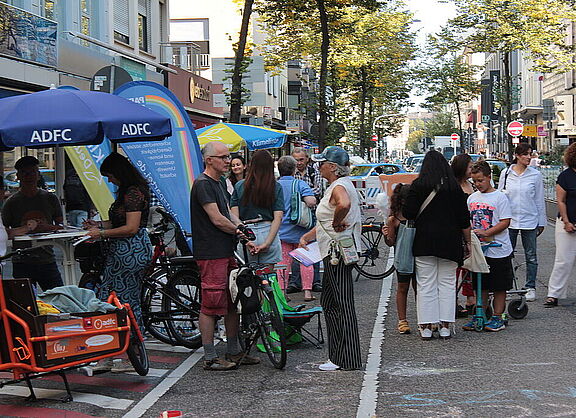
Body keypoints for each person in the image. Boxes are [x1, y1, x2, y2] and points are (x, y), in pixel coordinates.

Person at [191, 142, 260, 371]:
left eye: (228, 156)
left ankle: (234, 350)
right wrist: (238, 230)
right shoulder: (202, 184)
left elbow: (227, 212)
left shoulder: (219, 182)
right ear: (209, 160)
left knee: (233, 301)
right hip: (211, 252)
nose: (227, 161)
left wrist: (241, 227)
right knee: (211, 304)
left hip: (224, 249)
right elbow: (216, 218)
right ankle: (210, 357)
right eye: (222, 157)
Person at [84, 152, 153, 373]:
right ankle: (121, 352)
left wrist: (102, 233)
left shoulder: (132, 193)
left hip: (128, 252)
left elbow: (131, 227)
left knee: (120, 301)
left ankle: (127, 352)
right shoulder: (131, 191)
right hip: (127, 252)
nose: (110, 181)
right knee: (119, 300)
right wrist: (98, 224)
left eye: (111, 176)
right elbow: (120, 221)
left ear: (119, 173)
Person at [299, 146, 362, 371]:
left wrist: (337, 222)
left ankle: (347, 358)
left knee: (341, 303)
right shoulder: (339, 185)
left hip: (338, 252)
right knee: (330, 301)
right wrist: (308, 235)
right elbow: (326, 220)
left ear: (332, 167)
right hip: (334, 250)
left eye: (322, 162)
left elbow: (343, 205)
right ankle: (338, 356)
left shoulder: (338, 187)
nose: (319, 166)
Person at [404, 150, 471, 340]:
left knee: (425, 284)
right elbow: (463, 219)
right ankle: (445, 326)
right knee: (448, 284)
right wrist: (468, 242)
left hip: (424, 241)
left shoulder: (418, 185)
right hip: (450, 242)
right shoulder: (454, 187)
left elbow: (409, 213)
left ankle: (425, 327)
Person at [463, 161, 514, 332]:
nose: (477, 184)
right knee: (480, 284)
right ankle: (480, 313)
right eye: (474, 181)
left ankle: (498, 317)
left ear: (489, 178)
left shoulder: (500, 197)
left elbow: (505, 221)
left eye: (480, 180)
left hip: (498, 249)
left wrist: (487, 232)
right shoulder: (472, 198)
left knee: (499, 285)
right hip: (479, 249)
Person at [2, 156, 64, 291]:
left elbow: (61, 226)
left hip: (47, 259)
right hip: (21, 260)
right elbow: (5, 230)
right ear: (18, 176)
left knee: (59, 297)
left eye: (33, 172)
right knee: (25, 304)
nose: (29, 176)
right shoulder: (11, 202)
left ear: (38, 175)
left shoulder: (50, 198)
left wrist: (47, 227)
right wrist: (26, 228)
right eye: (25, 173)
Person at [497, 143, 546, 302]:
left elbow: (539, 199)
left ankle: (530, 286)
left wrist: (541, 221)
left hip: (529, 219)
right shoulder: (506, 174)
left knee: (531, 255)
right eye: (526, 154)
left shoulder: (535, 175)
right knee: (506, 254)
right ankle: (507, 285)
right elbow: (499, 198)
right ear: (517, 155)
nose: (529, 157)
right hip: (509, 220)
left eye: (530, 154)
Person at [230, 150, 283, 266]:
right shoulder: (276, 187)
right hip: (269, 231)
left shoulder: (239, 186)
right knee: (269, 276)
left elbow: (234, 217)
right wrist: (267, 243)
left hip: (247, 232)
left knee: (248, 276)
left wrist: (246, 240)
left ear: (251, 165)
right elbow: (278, 217)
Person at [277, 156, 317, 301]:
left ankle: (282, 292)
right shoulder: (299, 184)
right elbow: (311, 201)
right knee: (305, 261)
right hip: (301, 231)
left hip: (282, 231)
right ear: (294, 170)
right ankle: (307, 292)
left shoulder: (275, 185)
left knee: (283, 263)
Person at [544, 143, 576, 307]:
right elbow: (560, 201)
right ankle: (553, 294)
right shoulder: (565, 176)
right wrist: (567, 221)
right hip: (567, 223)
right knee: (563, 259)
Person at [383, 183, 416, 334]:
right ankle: (402, 320)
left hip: (416, 256)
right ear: (402, 200)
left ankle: (422, 318)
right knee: (403, 288)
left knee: (418, 289)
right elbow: (390, 242)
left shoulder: (417, 214)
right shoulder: (394, 219)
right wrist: (387, 233)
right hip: (403, 257)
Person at [291, 147, 323, 292]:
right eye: (296, 160)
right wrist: (306, 194)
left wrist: (300, 194)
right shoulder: (292, 173)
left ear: (307, 159)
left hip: (312, 215)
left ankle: (315, 280)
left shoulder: (313, 172)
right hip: (297, 216)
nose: (298, 163)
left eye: (301, 159)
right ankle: (296, 281)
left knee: (312, 246)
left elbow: (319, 190)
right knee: (297, 247)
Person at [451, 153, 476, 315]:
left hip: (472, 227)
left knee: (471, 266)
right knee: (456, 267)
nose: (472, 170)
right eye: (469, 167)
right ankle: (453, 300)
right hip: (457, 229)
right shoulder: (453, 185)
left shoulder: (470, 183)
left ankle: (470, 298)